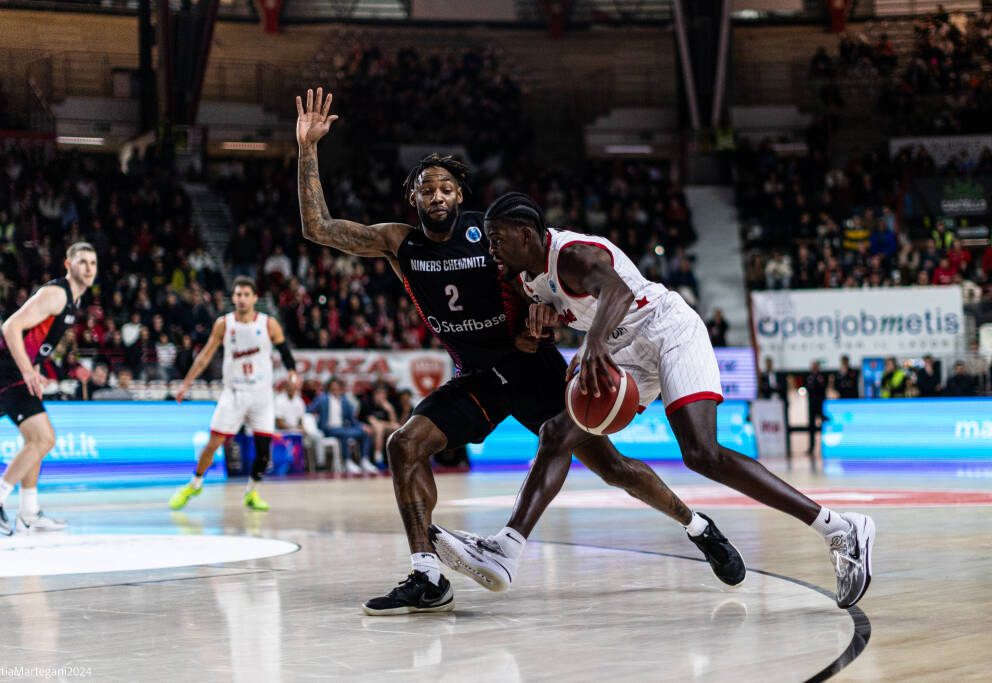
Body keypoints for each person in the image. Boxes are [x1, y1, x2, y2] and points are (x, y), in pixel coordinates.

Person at [296, 88, 743, 616]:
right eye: (425, 190)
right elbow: (318, 229)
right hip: (479, 377)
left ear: (460, 195)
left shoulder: (491, 234)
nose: (436, 196)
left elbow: (543, 279)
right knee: (403, 445)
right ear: (412, 200)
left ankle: (698, 527)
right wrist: (307, 148)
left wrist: (543, 319)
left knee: (613, 467)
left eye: (445, 188)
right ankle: (427, 575)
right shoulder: (399, 243)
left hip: (531, 366)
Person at [469, 192, 874, 609]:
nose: (491, 248)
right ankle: (508, 548)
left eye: (497, 238)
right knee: (556, 433)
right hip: (623, 351)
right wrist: (541, 326)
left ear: (525, 234)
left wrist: (590, 343)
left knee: (702, 453)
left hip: (667, 329)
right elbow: (553, 315)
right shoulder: (522, 280)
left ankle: (840, 528)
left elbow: (618, 292)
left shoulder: (572, 253)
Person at [0, 242, 98, 535]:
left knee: (37, 440)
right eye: (82, 262)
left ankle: (28, 513)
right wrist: (28, 371)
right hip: (3, 370)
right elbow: (11, 328)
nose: (88, 268)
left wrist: (36, 370)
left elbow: (35, 341)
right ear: (68, 265)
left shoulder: (73, 302)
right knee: (43, 439)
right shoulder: (56, 294)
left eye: (92, 263)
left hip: (17, 371)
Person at [168, 276, 299, 512]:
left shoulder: (269, 324)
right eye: (238, 295)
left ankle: (252, 491)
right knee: (213, 443)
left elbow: (285, 351)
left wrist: (292, 372)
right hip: (234, 392)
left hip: (261, 395)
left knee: (263, 452)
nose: (241, 299)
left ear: (255, 298)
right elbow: (205, 356)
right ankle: (195, 483)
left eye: (246, 295)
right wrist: (185, 384)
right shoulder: (224, 324)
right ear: (234, 298)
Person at [308, 378, 376, 474]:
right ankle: (347, 461)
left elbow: (352, 419)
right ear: (329, 389)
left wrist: (362, 426)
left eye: (337, 388)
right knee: (344, 433)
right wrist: (314, 420)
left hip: (343, 428)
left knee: (365, 432)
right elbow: (309, 410)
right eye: (333, 388)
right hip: (329, 428)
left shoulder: (344, 401)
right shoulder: (322, 399)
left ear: (340, 389)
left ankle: (365, 460)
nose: (335, 391)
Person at [358, 385, 400, 467]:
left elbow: (394, 422)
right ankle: (378, 458)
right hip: (366, 427)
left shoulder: (386, 405)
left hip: (381, 427)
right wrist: (386, 424)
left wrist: (390, 410)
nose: (381, 396)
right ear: (374, 394)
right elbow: (373, 422)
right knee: (379, 428)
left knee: (397, 427)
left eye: (383, 394)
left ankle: (397, 456)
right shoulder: (367, 403)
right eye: (379, 394)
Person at [804, 361, 828, 461]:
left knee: (823, 426)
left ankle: (824, 446)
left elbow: (822, 387)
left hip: (821, 405)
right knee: (811, 427)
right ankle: (811, 447)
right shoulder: (809, 376)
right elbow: (807, 387)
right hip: (812, 405)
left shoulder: (822, 376)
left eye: (815, 366)